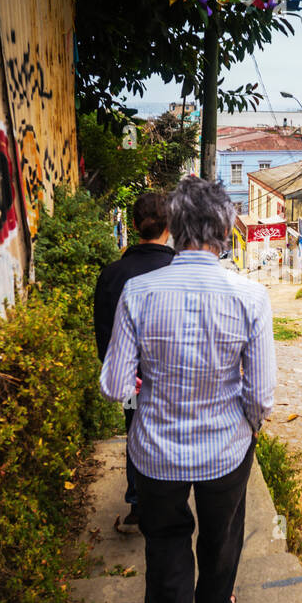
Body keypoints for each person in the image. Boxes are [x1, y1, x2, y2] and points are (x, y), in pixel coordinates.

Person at [100, 176, 276, 603]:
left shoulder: (138, 290)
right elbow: (261, 396)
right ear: (225, 229)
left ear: (175, 227)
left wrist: (148, 391)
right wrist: (242, 424)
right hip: (226, 452)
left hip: (156, 455)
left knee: (166, 543)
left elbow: (115, 386)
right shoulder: (251, 295)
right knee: (221, 537)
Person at [93, 192, 176, 534]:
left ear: (132, 225)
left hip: (131, 380)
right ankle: (169, 501)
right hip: (176, 377)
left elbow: (104, 340)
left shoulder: (112, 275)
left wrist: (123, 375)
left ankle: (139, 501)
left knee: (137, 431)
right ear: (170, 226)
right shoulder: (179, 270)